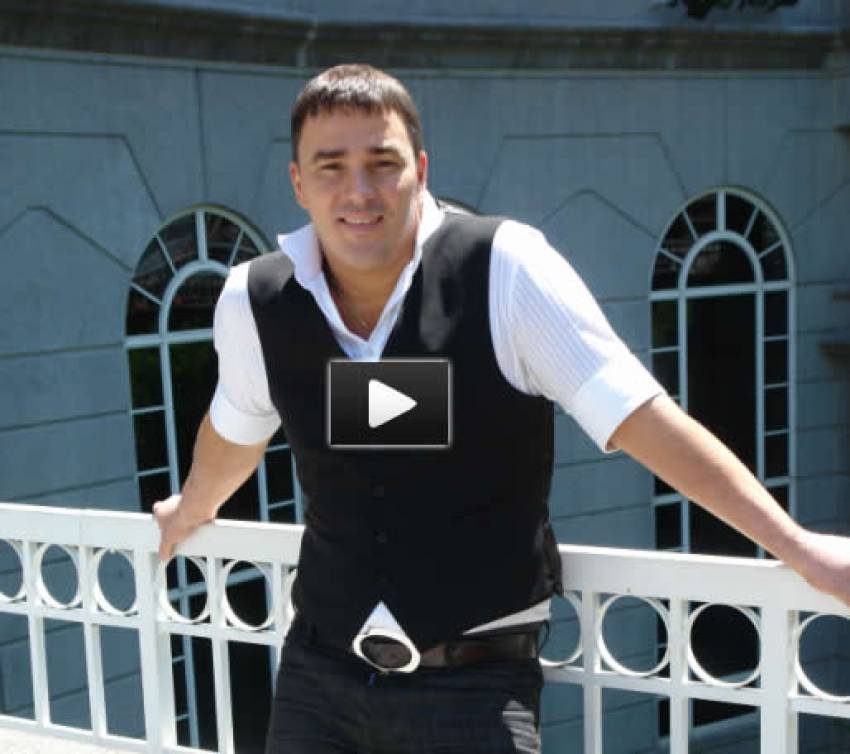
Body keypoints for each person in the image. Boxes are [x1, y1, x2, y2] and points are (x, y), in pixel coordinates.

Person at [154, 64, 850, 754]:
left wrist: (795, 546)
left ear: (420, 169)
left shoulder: (505, 270)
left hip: (473, 689)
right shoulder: (256, 299)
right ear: (298, 183)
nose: (358, 191)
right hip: (320, 677)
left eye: (382, 163)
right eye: (330, 167)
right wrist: (191, 507)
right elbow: (236, 428)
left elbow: (640, 416)